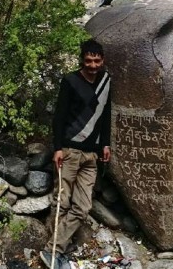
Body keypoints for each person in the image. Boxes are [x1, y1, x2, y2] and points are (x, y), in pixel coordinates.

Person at [40, 39, 112, 269]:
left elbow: (106, 115)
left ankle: (54, 247)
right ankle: (54, 251)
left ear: (103, 60)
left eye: (97, 60)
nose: (93, 65)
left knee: (82, 207)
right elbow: (59, 117)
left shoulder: (106, 82)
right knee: (61, 202)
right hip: (70, 151)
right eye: (88, 60)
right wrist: (58, 148)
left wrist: (106, 144)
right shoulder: (70, 81)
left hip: (91, 155)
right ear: (82, 60)